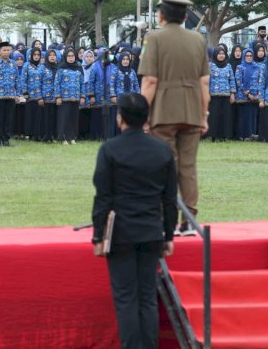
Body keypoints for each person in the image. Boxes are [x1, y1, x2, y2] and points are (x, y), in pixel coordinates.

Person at [91, 92, 177, 349]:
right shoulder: (162, 150)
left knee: (126, 298)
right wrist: (169, 235)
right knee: (148, 297)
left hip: (121, 233)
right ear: (146, 119)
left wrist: (97, 235)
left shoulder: (110, 149)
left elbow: (103, 198)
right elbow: (170, 199)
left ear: (120, 119)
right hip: (152, 231)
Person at [139, 0, 209, 234]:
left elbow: (150, 81)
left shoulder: (154, 39)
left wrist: (141, 114)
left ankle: (162, 218)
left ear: (161, 15)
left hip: (163, 112)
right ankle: (188, 220)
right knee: (188, 167)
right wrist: (204, 114)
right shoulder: (198, 40)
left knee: (163, 165)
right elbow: (204, 82)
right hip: (192, 110)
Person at [0, 42, 19, 146]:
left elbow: (17, 80)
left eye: (8, 50)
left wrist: (17, 94)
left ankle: (6, 139)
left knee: (8, 119)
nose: (6, 52)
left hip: (11, 95)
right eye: (4, 50)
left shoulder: (13, 63)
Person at [54, 48, 85, 144]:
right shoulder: (61, 68)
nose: (71, 58)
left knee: (74, 118)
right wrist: (58, 96)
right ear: (65, 57)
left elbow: (82, 83)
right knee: (64, 118)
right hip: (64, 98)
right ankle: (63, 137)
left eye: (72, 56)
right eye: (69, 56)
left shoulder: (79, 68)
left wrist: (82, 96)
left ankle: (72, 137)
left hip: (76, 97)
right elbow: (57, 83)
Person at [207, 46, 236, 141]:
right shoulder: (210, 65)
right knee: (214, 116)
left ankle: (224, 136)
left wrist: (232, 93)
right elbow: (207, 80)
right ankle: (213, 135)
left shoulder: (228, 66)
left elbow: (232, 79)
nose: (221, 56)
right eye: (219, 54)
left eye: (223, 54)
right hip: (214, 95)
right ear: (215, 55)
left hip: (226, 95)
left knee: (225, 116)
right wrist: (207, 93)